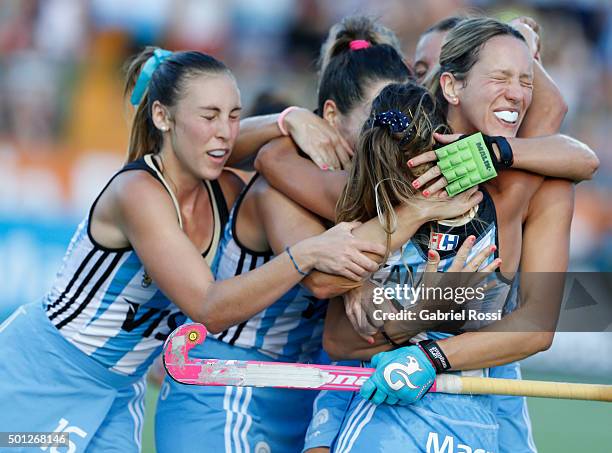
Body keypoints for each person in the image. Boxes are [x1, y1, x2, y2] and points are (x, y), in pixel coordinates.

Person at [0, 47, 384, 453]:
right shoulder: (138, 193)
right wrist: (307, 253)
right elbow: (207, 307)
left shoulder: (225, 190)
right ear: (162, 117)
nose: (224, 131)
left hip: (118, 390)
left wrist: (287, 120)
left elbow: (247, 157)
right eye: (209, 116)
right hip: (43, 372)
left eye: (234, 116)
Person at [155, 16, 478, 453]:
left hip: (302, 391)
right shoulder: (285, 182)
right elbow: (325, 279)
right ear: (330, 116)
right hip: (229, 385)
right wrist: (419, 211)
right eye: (376, 118)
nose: (390, 135)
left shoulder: (373, 193)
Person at [314, 18, 579, 452]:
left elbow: (537, 327)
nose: (516, 93)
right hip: (388, 429)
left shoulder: (535, 185)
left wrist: (429, 353)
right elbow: (338, 337)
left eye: (525, 79)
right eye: (499, 76)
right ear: (452, 88)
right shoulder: (395, 174)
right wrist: (422, 307)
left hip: (479, 428)